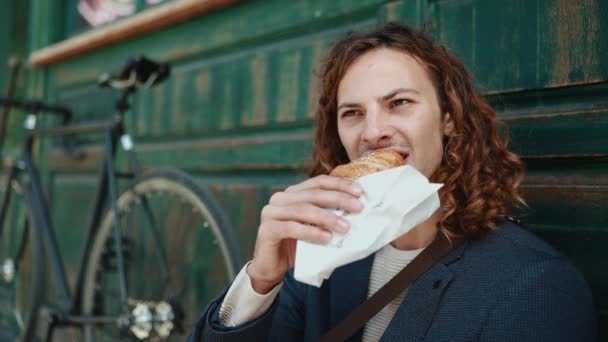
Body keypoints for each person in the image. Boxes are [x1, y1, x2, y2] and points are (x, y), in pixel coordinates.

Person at [188, 22, 596, 341]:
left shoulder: (532, 283)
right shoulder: (320, 260)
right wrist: (261, 280)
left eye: (399, 103)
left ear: (449, 118)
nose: (373, 131)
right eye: (352, 113)